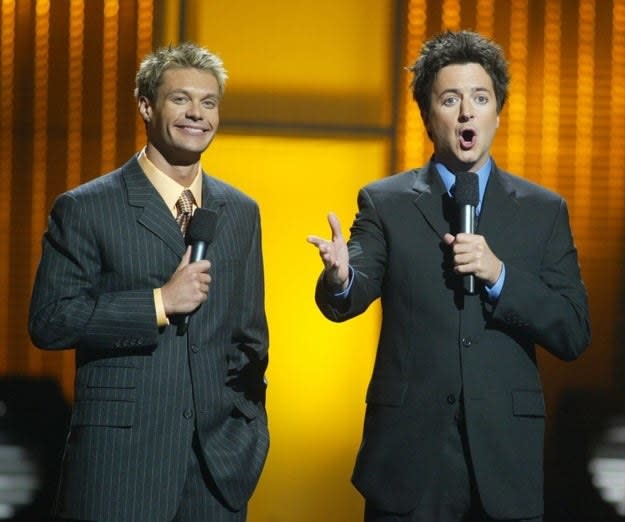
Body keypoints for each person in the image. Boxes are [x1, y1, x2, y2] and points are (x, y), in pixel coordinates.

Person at [307, 30, 590, 522]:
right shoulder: (386, 202)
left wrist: (501, 275)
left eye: (480, 98)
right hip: (409, 459)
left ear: (497, 113)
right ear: (427, 115)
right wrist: (339, 277)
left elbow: (573, 330)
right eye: (451, 99)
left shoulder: (544, 211)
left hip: (505, 459)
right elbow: (352, 290)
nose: (466, 112)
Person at [29, 42, 269, 522]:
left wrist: (247, 431)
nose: (197, 114)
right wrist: (158, 302)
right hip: (120, 467)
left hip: (216, 472)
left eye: (209, 102)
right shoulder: (87, 206)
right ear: (145, 105)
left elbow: (250, 340)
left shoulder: (240, 211)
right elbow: (50, 320)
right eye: (181, 99)